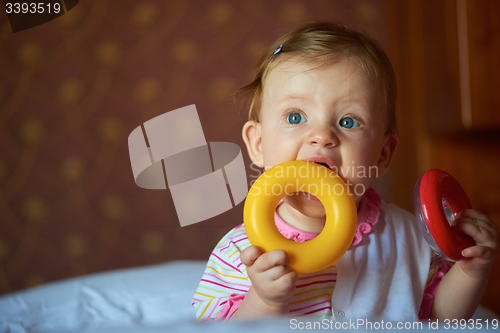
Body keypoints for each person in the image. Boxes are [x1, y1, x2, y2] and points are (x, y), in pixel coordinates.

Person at [192, 22, 498, 322]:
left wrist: (471, 272)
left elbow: (435, 318)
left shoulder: (409, 236)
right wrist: (265, 299)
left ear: (382, 154)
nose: (322, 135)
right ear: (257, 143)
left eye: (349, 121)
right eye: (296, 116)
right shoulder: (241, 251)